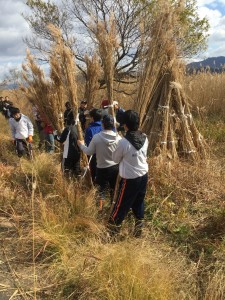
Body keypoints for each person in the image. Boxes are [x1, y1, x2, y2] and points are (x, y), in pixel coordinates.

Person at [107, 110, 149, 238]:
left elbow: (115, 159)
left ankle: (112, 230)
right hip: (143, 175)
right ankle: (139, 227)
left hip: (130, 179)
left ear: (125, 125)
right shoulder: (145, 137)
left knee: (121, 204)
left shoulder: (123, 142)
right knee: (139, 201)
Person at [78, 115, 121, 209]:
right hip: (115, 168)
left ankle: (100, 209)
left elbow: (89, 151)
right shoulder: (118, 138)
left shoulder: (97, 137)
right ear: (113, 125)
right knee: (114, 188)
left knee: (100, 190)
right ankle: (113, 207)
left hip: (101, 168)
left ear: (103, 125)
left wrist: (81, 145)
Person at [84, 108, 102, 181]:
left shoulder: (89, 129)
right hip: (106, 154)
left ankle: (94, 186)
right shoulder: (105, 127)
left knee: (93, 172)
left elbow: (89, 144)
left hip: (94, 155)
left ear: (92, 118)